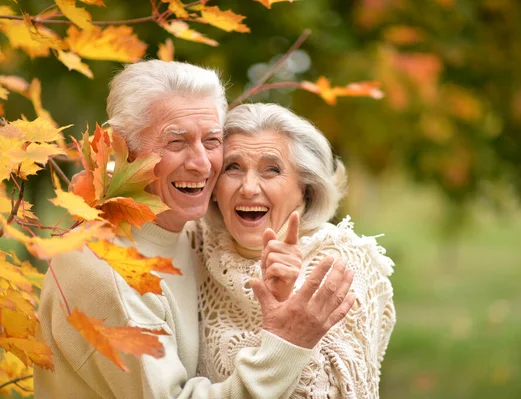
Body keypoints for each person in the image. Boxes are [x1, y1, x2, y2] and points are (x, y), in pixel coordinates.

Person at [34, 60, 356, 398]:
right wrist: (287, 344)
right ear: (122, 148)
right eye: (176, 142)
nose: (201, 163)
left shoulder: (193, 232)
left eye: (213, 140)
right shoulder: (106, 270)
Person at [195, 103, 396, 398]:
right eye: (233, 168)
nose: (249, 188)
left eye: (271, 170)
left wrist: (286, 308)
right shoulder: (196, 247)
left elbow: (338, 392)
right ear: (214, 187)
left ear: (306, 188)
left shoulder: (341, 263)